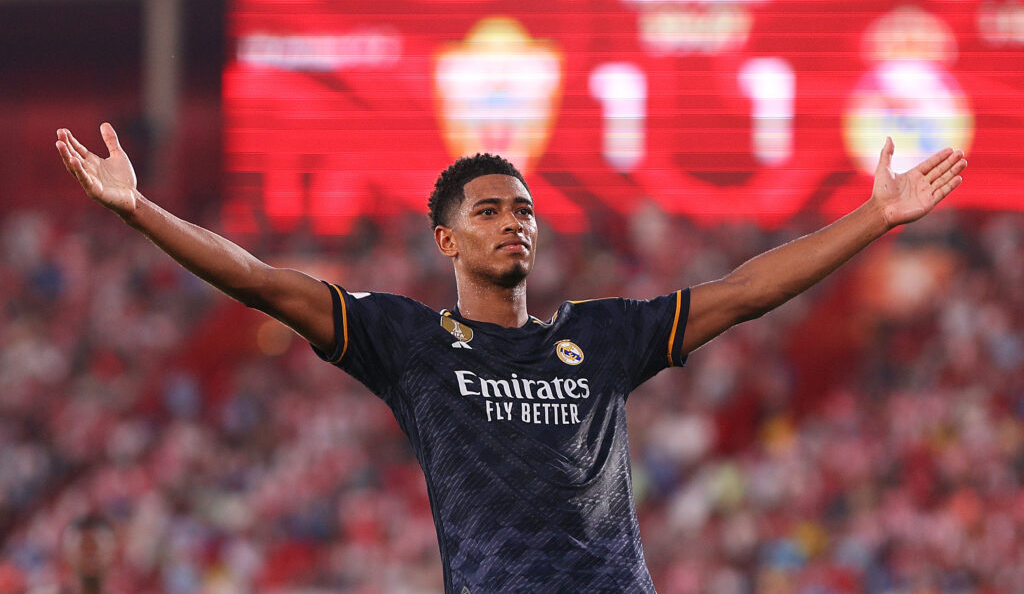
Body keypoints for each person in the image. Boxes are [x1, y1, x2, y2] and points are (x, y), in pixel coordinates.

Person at [56, 123, 966, 592]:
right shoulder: (408, 342)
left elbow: (742, 292)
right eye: (489, 210)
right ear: (446, 239)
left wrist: (873, 218)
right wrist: (142, 211)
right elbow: (260, 280)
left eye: (523, 209)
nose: (512, 222)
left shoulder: (602, 339)